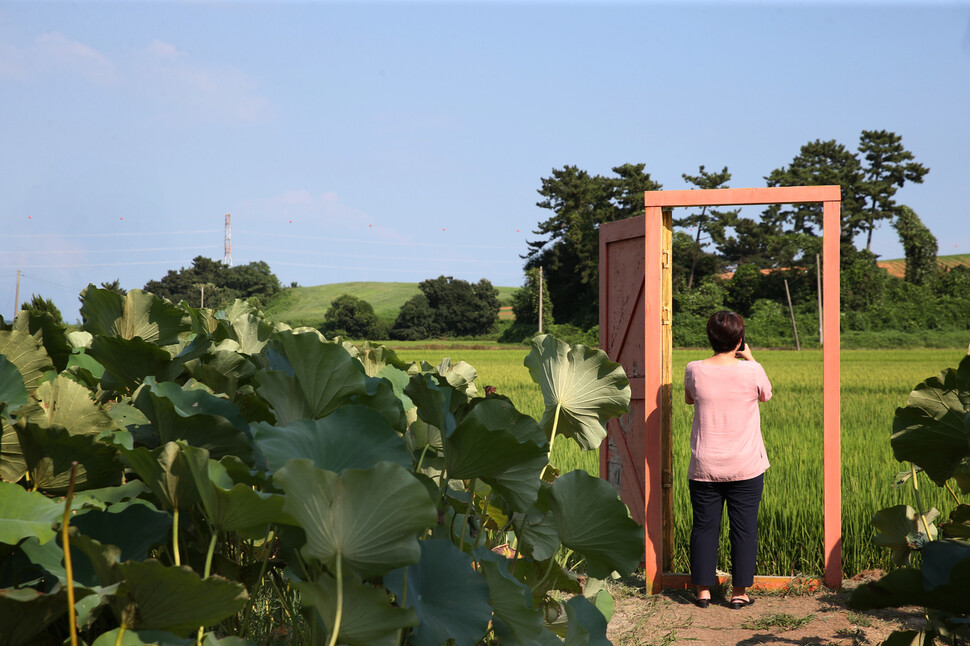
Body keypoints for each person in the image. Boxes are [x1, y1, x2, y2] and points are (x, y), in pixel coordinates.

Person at [684, 310, 772, 609]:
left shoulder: (694, 369)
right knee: (744, 528)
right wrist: (749, 358)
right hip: (745, 465)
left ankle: (703, 592)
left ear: (710, 338)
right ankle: (738, 593)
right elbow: (766, 395)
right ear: (739, 339)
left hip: (704, 465)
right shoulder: (753, 370)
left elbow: (689, 398)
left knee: (704, 527)